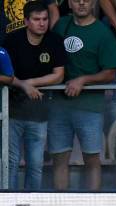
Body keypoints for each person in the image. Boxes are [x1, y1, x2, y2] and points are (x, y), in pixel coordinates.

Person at [49, 0, 116, 190]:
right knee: (59, 158)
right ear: (70, 4)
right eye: (76, 0)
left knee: (91, 159)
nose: (81, 3)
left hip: (89, 106)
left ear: (94, 4)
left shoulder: (103, 33)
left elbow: (110, 72)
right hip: (59, 104)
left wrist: (83, 80)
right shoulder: (61, 25)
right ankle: (59, 205)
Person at [4, 0, 66, 190]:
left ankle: (33, 203)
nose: (42, 23)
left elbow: (59, 75)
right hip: (11, 111)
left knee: (35, 164)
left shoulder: (54, 40)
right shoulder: (12, 41)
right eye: (36, 19)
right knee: (11, 162)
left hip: (39, 112)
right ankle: (9, 200)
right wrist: (22, 85)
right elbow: (2, 75)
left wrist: (29, 83)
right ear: (26, 21)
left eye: (45, 19)